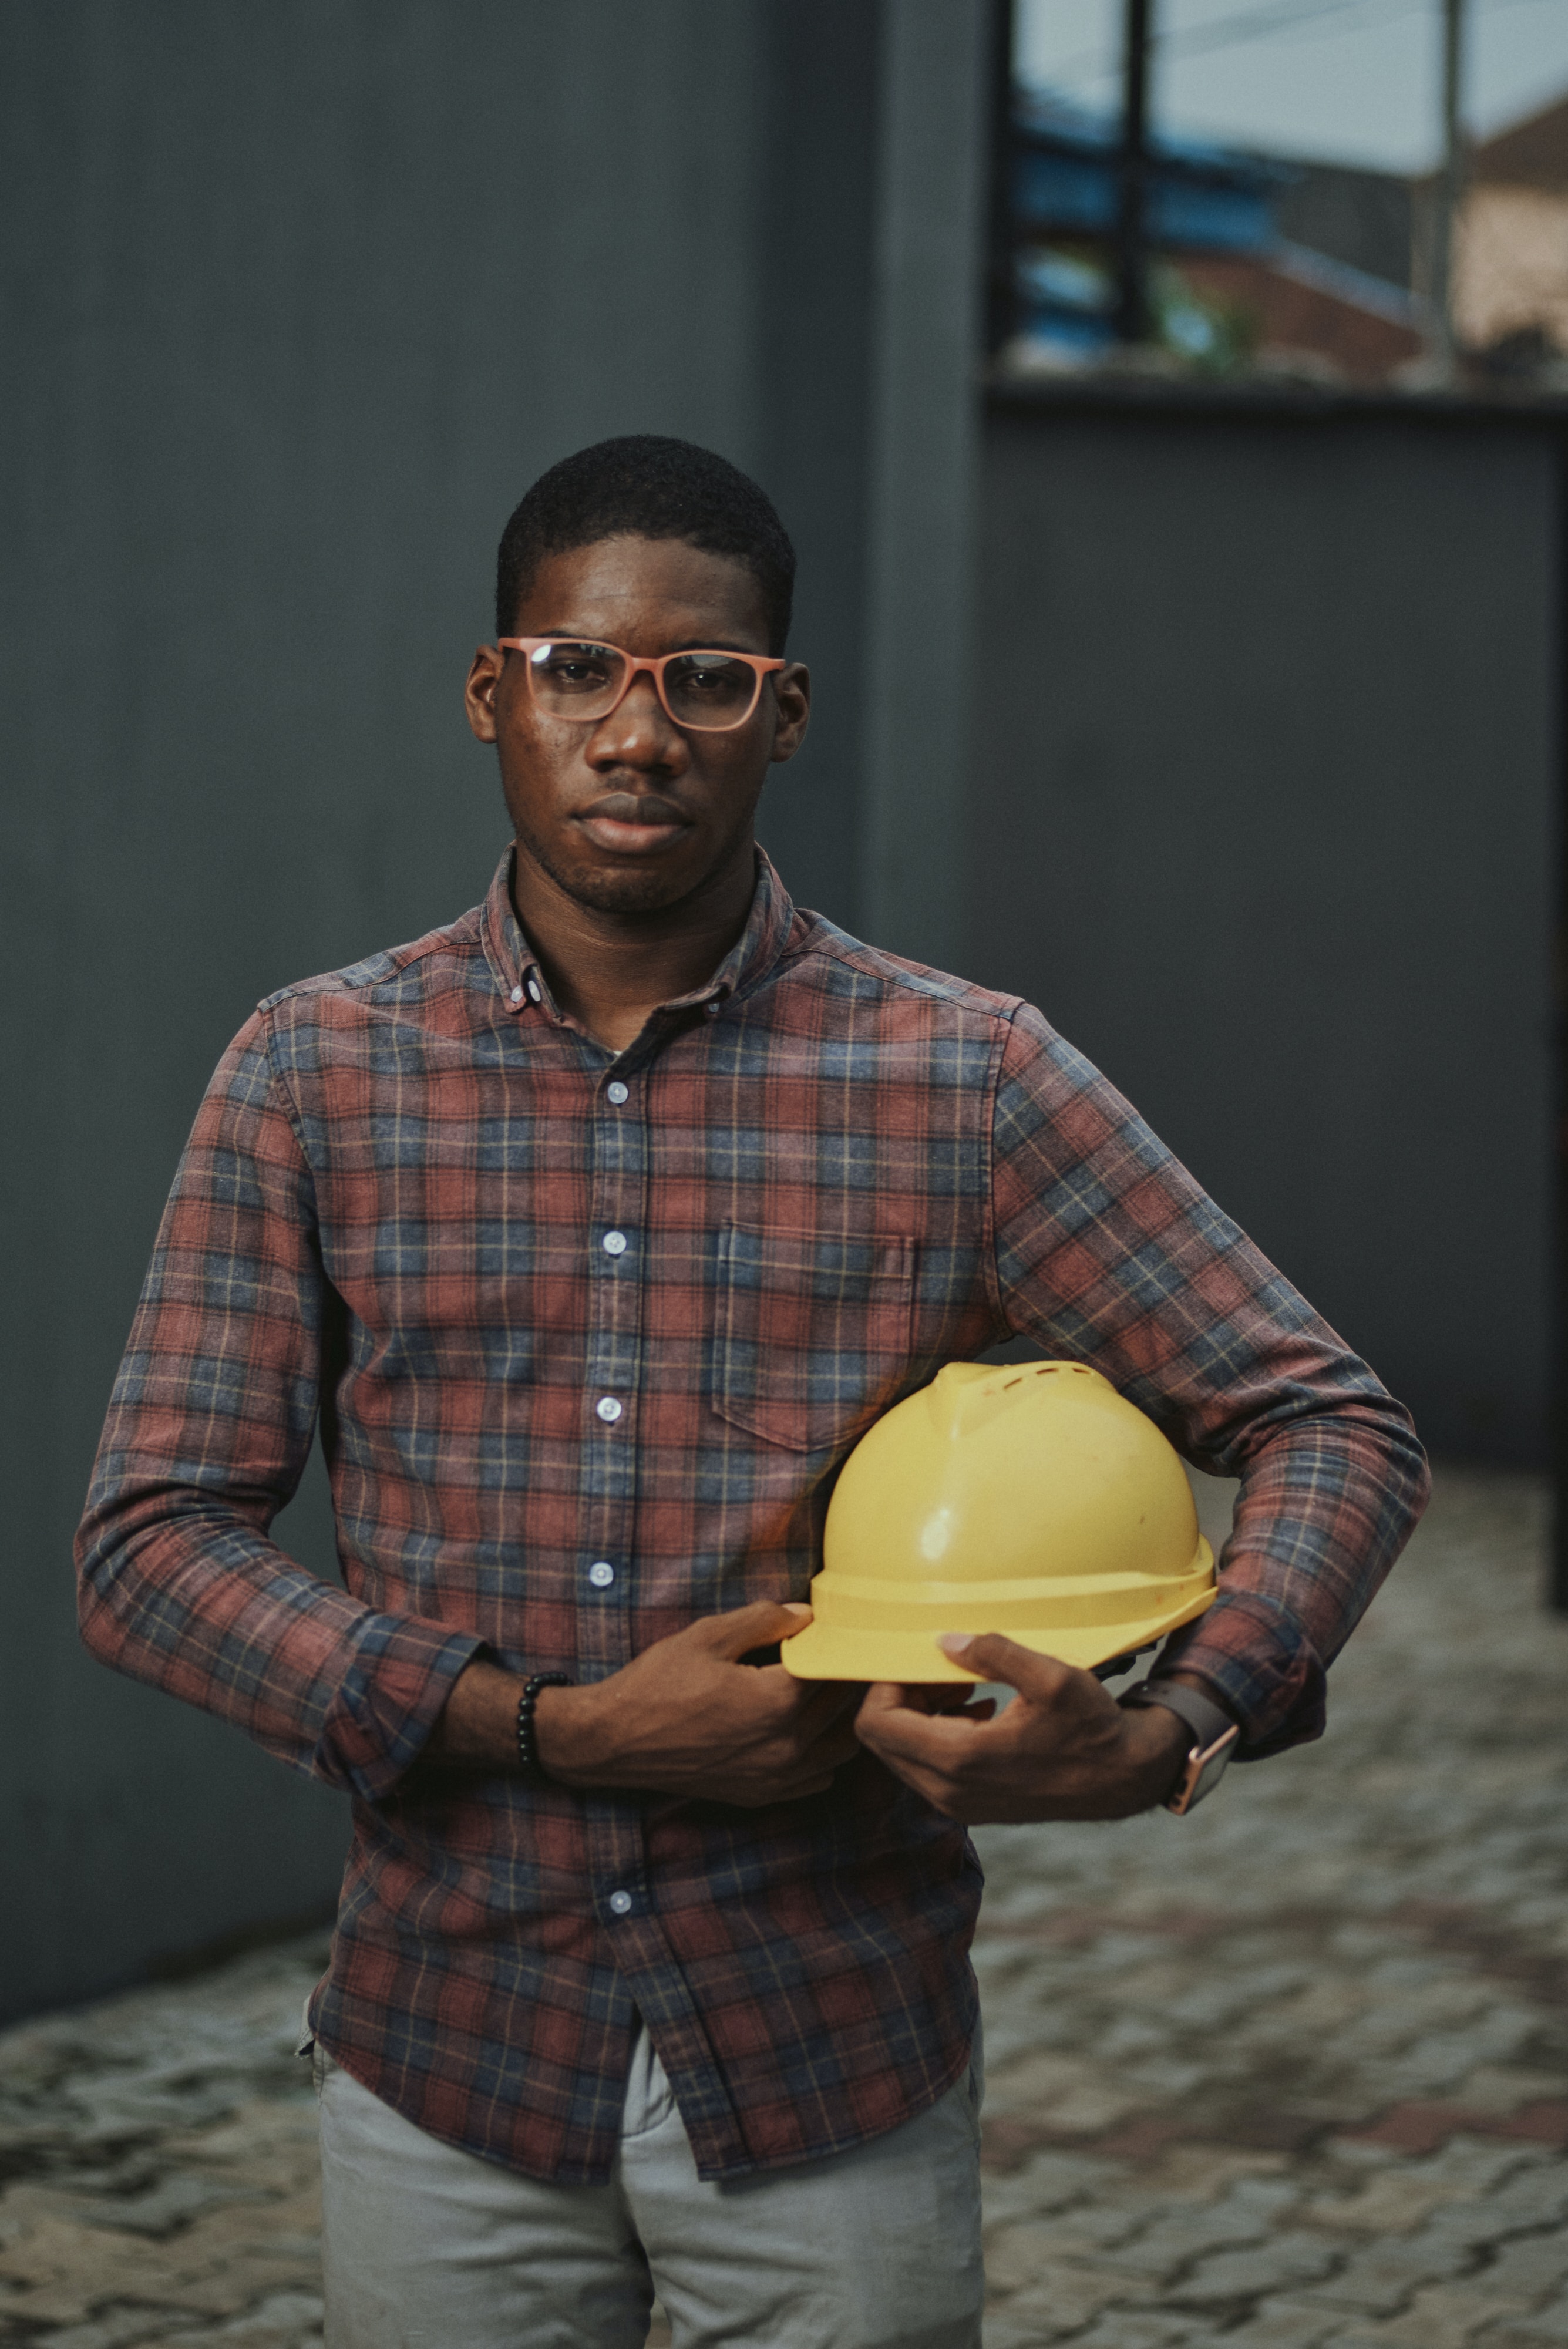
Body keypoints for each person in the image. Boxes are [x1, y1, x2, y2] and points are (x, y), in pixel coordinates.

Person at [77, 434, 1429, 2348]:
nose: (641, 732)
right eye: (580, 670)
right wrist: (545, 1728)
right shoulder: (314, 1074)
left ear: (780, 715)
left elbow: (1329, 1422)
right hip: (446, 2056)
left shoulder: (966, 1080)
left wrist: (1177, 1729)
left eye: (704, 678)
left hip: (831, 2064)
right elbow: (145, 1548)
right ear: (492, 694)